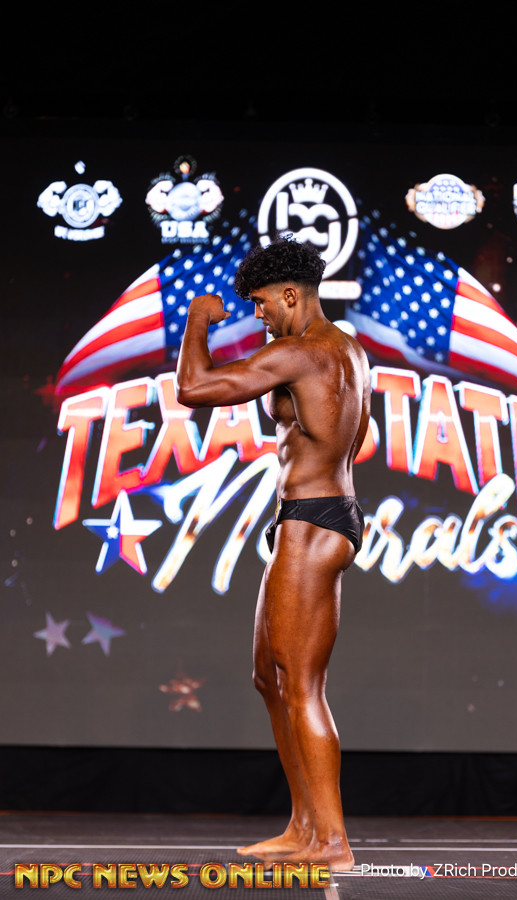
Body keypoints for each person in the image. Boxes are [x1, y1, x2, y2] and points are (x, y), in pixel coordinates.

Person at [176, 236, 371, 872]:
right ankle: (303, 827)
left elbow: (193, 388)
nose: (257, 315)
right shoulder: (348, 351)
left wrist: (198, 320)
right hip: (315, 516)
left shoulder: (300, 352)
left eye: (260, 303)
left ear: (291, 294)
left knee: (301, 684)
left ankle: (332, 840)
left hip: (313, 520)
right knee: (270, 677)